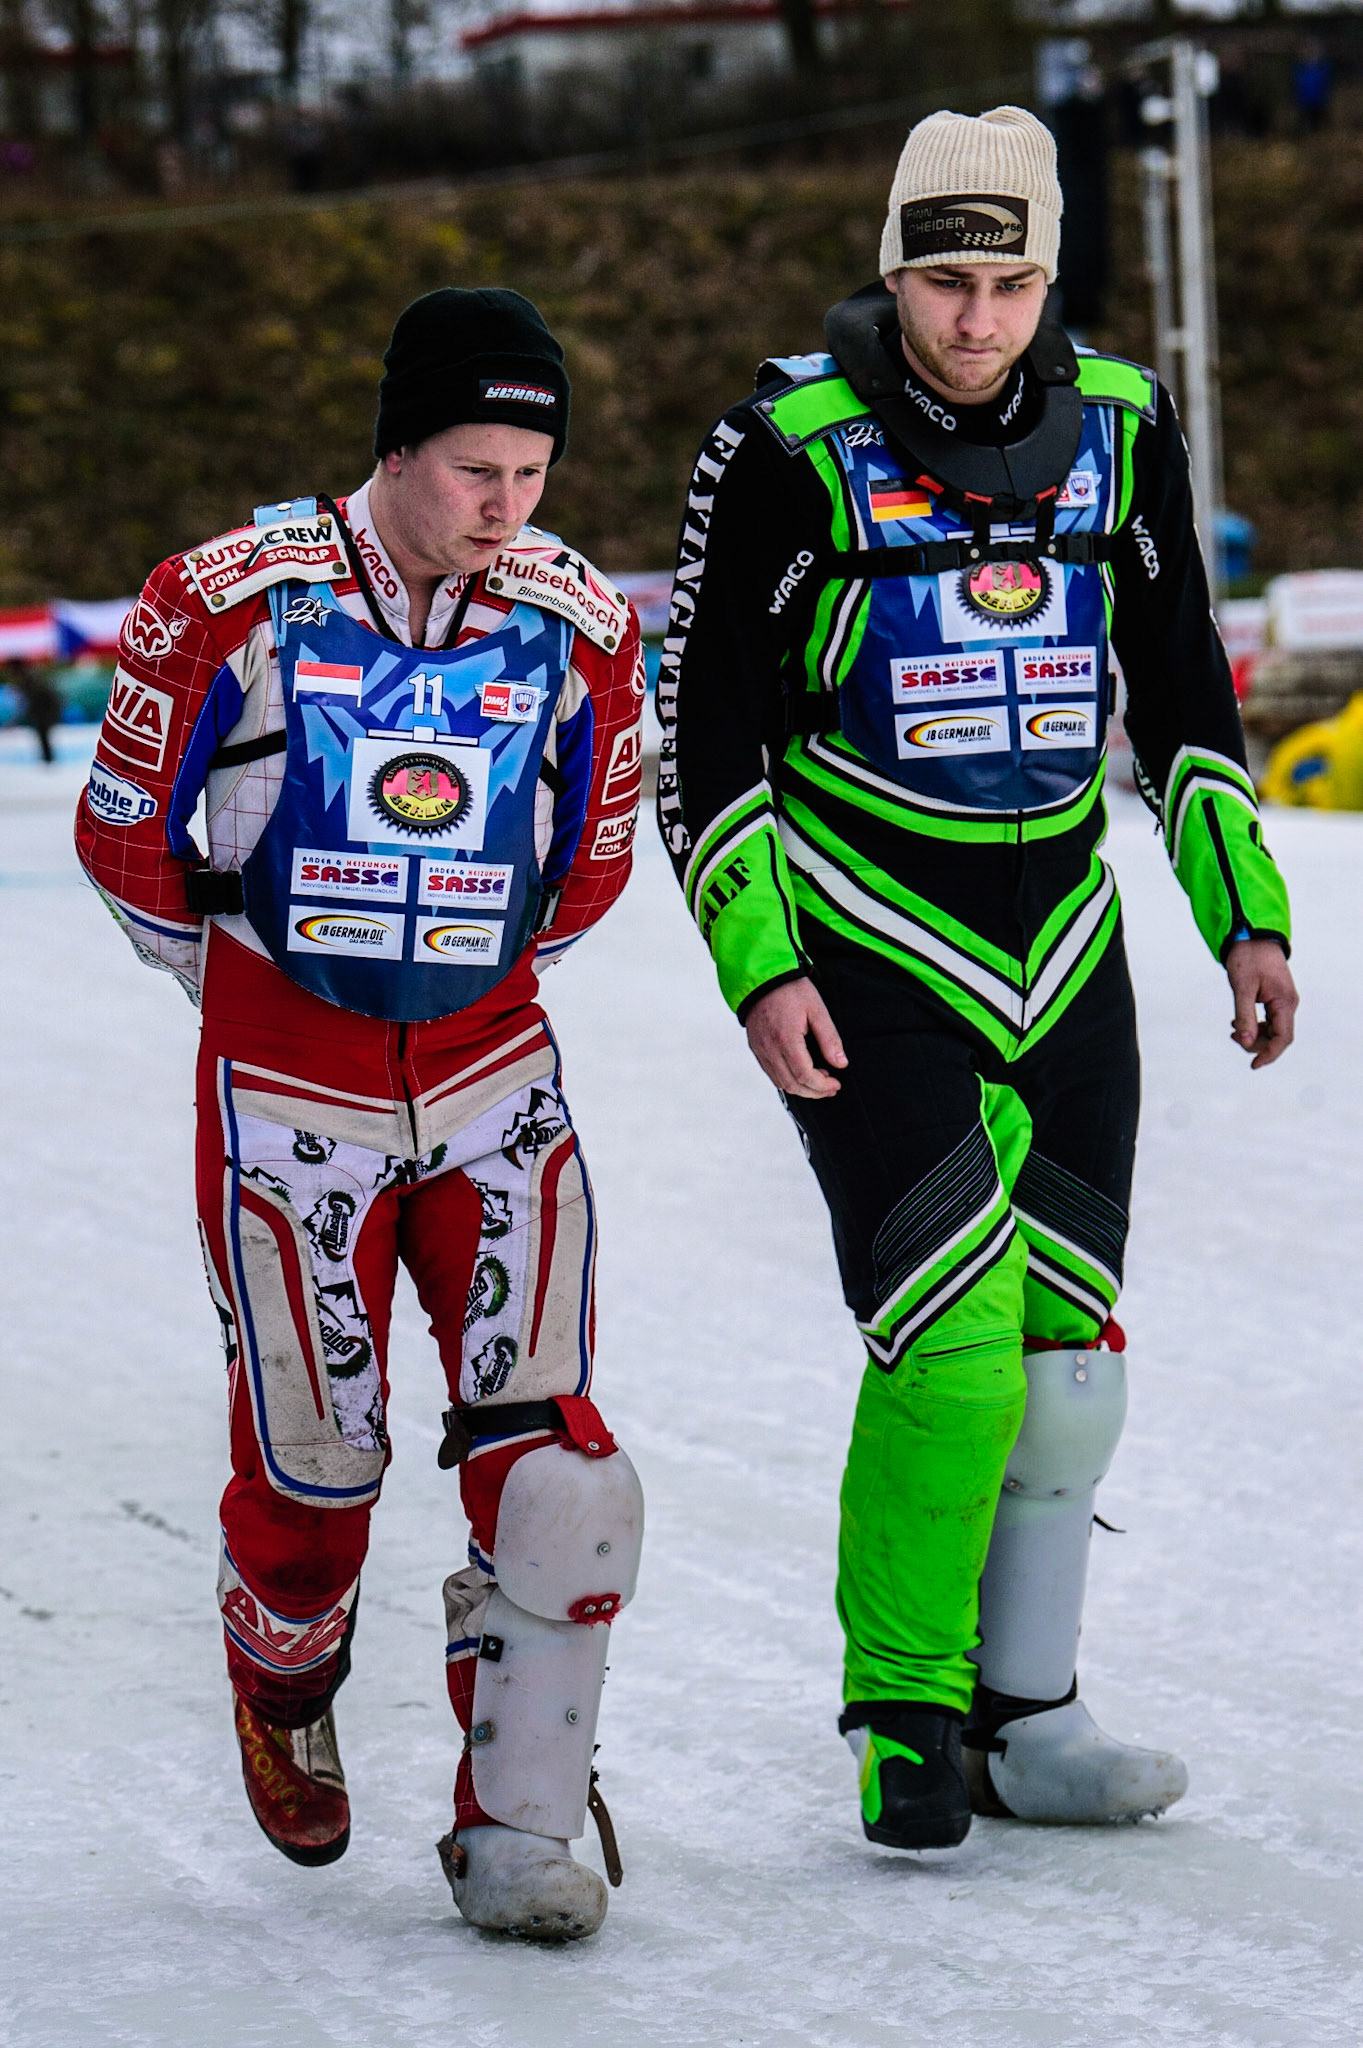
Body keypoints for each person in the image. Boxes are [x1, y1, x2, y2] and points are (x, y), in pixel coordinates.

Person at [657, 108, 1297, 1851]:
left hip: (1065, 942)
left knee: (1074, 1365)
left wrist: (1246, 912)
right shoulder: (787, 438)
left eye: (1013, 281)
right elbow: (699, 732)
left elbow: (1176, 685)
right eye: (947, 279)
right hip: (870, 936)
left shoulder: (1124, 425)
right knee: (952, 1358)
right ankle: (908, 1710)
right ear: (891, 268)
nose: (978, 319)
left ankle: (1034, 1713)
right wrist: (760, 964)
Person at [76, 287, 646, 1938]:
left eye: (532, 472)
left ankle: (520, 1813)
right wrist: (261, 986)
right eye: (475, 467)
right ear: (394, 448)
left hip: (493, 1073)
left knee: (555, 1463)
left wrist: (454, 964)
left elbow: (593, 863)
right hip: (284, 1073)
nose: (507, 506)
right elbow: (126, 841)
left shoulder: (579, 621)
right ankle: (284, 1663)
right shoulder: (222, 597)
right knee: (321, 1468)